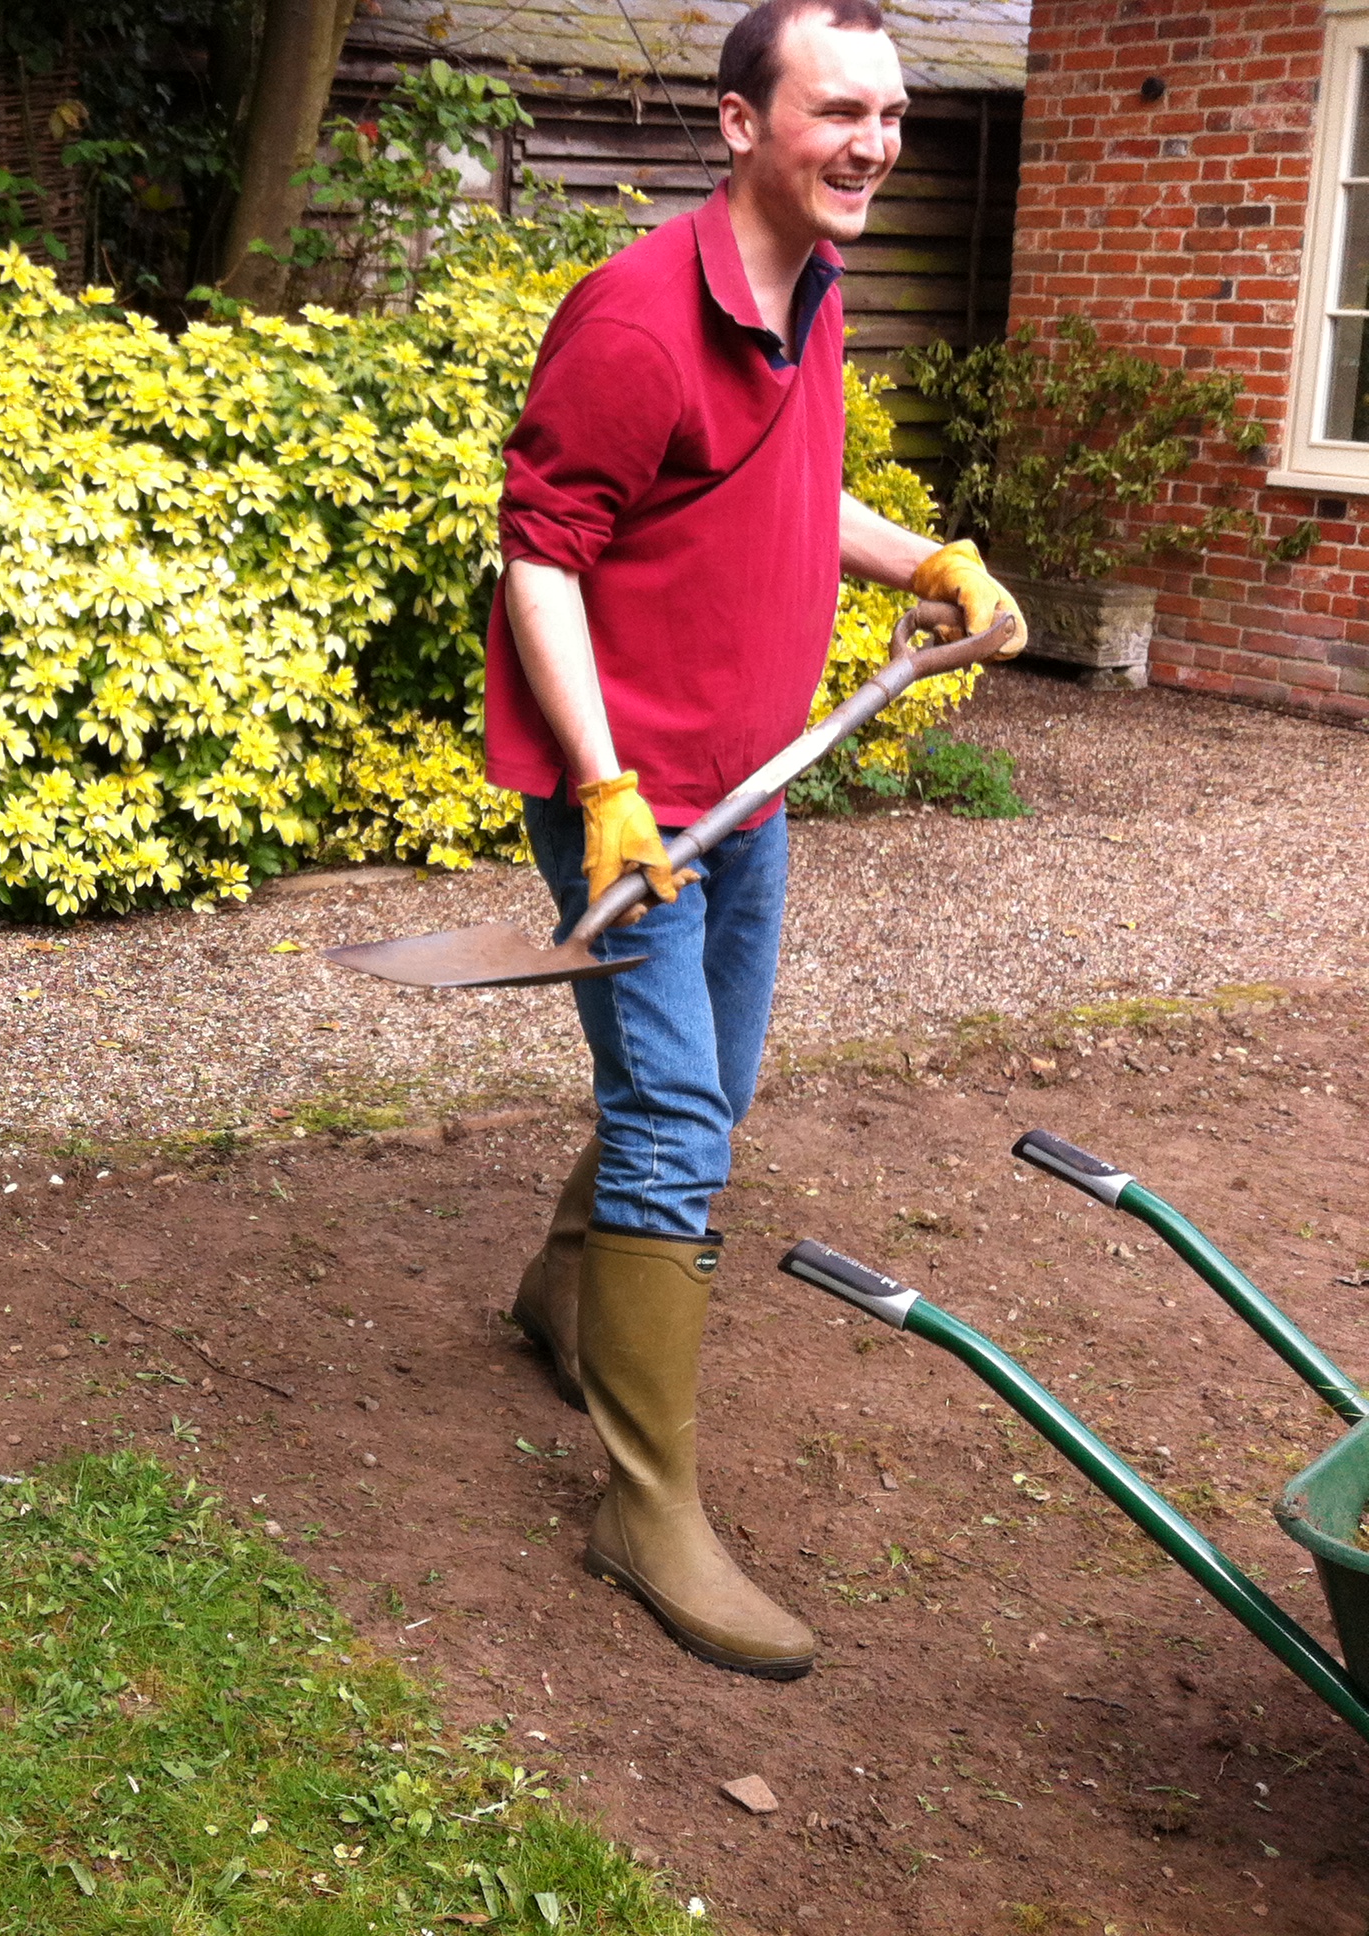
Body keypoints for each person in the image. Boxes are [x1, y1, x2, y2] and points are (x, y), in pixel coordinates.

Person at [488, 0, 1023, 1680]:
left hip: (749, 777)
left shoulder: (812, 288)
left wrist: (929, 559)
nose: (875, 142)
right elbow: (540, 561)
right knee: (676, 1125)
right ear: (739, 123)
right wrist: (600, 787)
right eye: (838, 110)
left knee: (707, 1091)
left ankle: (560, 1293)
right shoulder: (638, 323)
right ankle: (646, 1511)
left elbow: (793, 494)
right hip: (631, 803)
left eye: (893, 113)